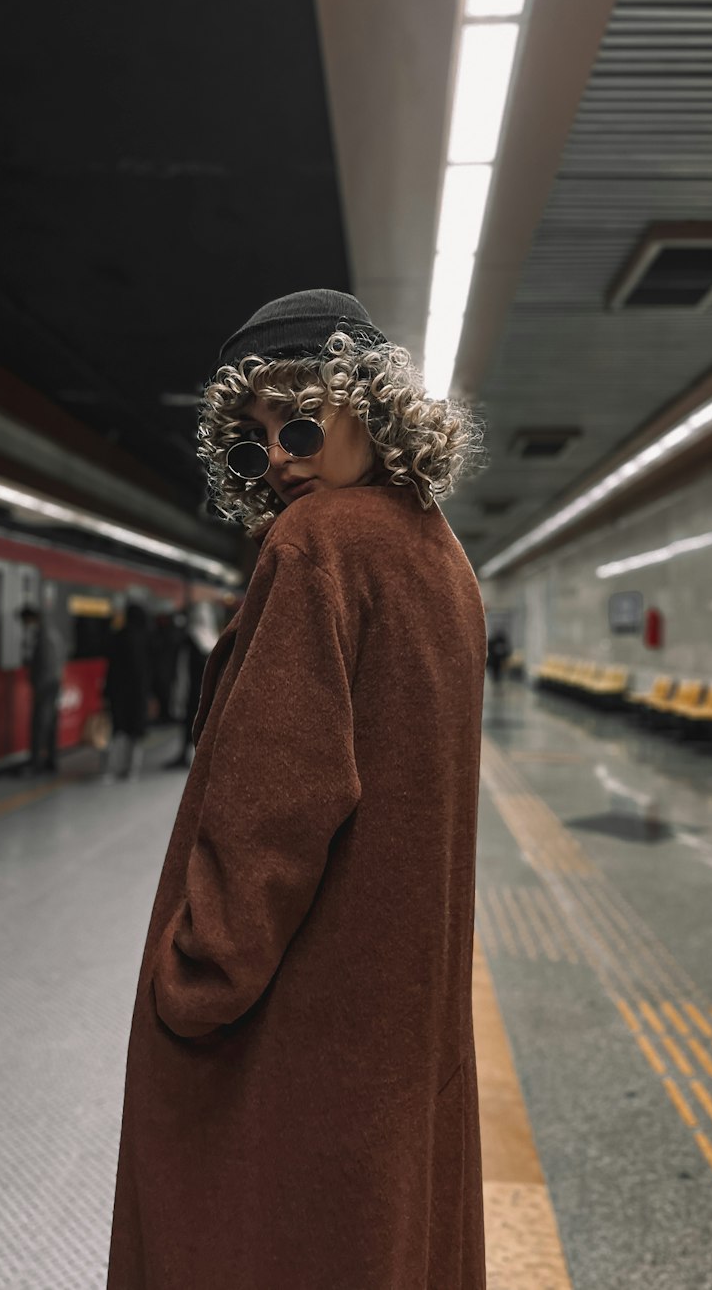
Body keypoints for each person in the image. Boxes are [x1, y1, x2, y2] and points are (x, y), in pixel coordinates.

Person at [107, 289, 488, 1289]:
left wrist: (195, 983)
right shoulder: (441, 557)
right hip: (395, 1015)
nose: (277, 456)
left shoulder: (315, 544)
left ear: (373, 407)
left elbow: (273, 805)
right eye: (252, 443)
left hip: (299, 1034)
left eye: (301, 421)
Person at [161, 598, 221, 770]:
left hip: (192, 691)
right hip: (208, 691)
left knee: (190, 722)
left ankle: (187, 754)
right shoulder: (213, 639)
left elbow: (183, 668)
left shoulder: (190, 640)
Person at [103, 602, 153, 780]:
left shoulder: (118, 636)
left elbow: (111, 668)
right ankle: (132, 770)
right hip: (138, 693)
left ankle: (111, 770)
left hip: (119, 692)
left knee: (118, 731)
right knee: (136, 733)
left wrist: (106, 692)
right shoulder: (146, 637)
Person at [19, 604, 65, 773]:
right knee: (51, 724)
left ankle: (36, 763)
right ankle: (51, 761)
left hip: (45, 686)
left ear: (30, 619)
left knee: (39, 724)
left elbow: (44, 663)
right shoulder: (52, 631)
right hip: (54, 684)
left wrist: (37, 684)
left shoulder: (42, 636)